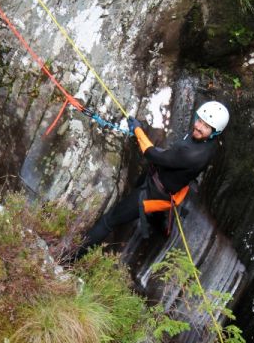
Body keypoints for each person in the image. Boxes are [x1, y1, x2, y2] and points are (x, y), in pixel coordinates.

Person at [74, 101, 229, 259]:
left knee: (109, 221)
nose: (198, 126)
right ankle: (158, 222)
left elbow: (152, 155)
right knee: (146, 195)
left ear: (215, 132)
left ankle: (71, 258)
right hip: (163, 179)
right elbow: (171, 157)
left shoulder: (193, 155)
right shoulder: (207, 142)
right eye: (199, 120)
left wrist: (137, 129)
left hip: (153, 193)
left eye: (206, 126)